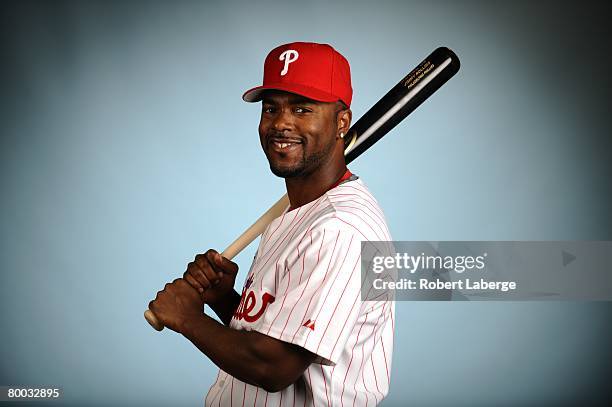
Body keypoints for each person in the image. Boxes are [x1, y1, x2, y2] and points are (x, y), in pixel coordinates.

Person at [149, 41, 395, 406]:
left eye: (302, 108)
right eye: (271, 108)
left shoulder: (340, 228)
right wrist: (226, 301)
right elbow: (280, 334)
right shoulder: (299, 210)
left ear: (342, 122)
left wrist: (187, 318)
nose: (281, 123)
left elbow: (274, 368)